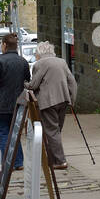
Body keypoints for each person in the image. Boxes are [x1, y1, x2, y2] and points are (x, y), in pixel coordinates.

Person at [25, 41, 78, 170]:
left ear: (39, 53)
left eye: (36, 53)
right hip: (63, 100)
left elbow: (34, 85)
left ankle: (60, 161)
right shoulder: (62, 62)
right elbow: (72, 82)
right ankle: (52, 158)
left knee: (52, 131)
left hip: (48, 102)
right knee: (56, 130)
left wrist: (24, 83)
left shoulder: (39, 64)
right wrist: (72, 100)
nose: (35, 56)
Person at [0, 32, 31, 169]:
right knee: (15, 132)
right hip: (18, 103)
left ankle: (7, 163)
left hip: (1, 104)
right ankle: (18, 162)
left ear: (5, 45)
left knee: (3, 133)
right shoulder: (23, 61)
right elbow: (27, 80)